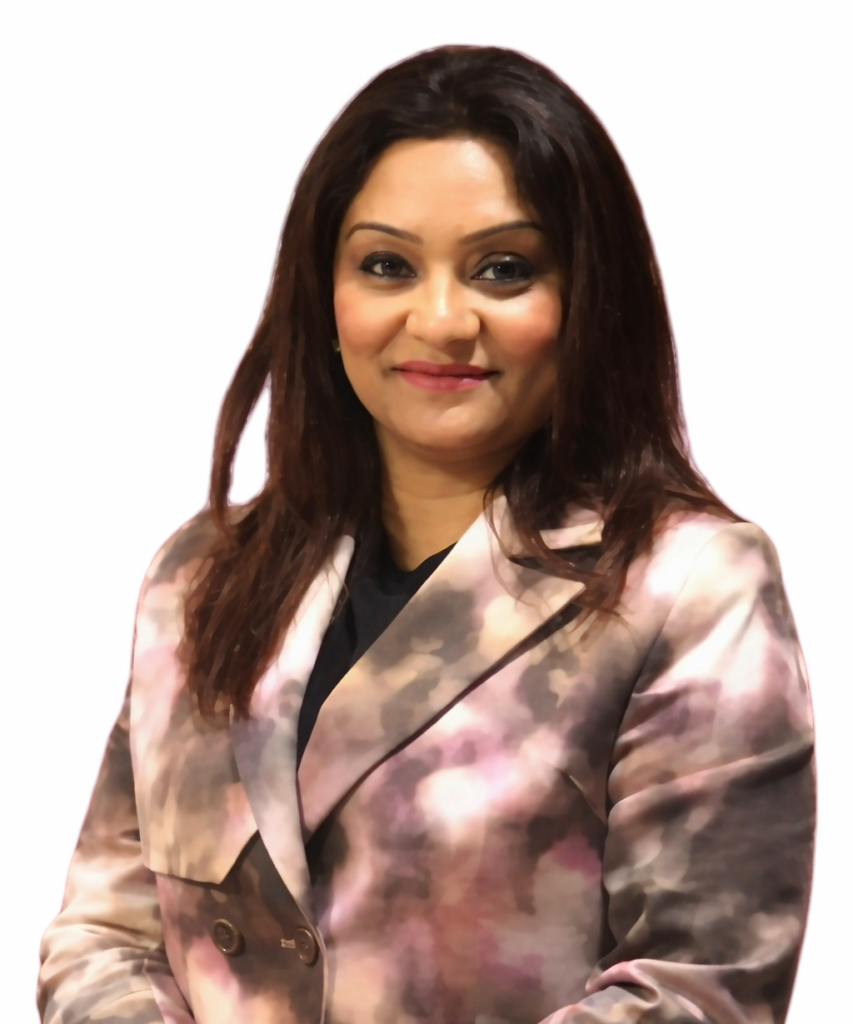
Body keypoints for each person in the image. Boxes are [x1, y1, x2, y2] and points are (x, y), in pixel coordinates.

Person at [37, 45, 815, 1024]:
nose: (441, 320)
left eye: (503, 269)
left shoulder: (690, 586)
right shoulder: (201, 577)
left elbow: (696, 992)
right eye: (386, 266)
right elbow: (104, 934)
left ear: (585, 299)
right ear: (325, 300)